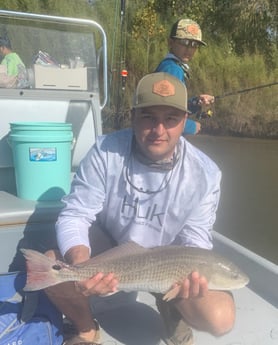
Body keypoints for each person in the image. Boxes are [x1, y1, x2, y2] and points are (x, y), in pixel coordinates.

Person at [45, 72, 235, 345]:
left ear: (185, 121)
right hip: (113, 246)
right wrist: (80, 264)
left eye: (170, 118)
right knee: (53, 266)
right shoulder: (105, 152)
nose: (159, 130)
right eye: (148, 117)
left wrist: (189, 282)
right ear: (133, 116)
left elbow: (195, 238)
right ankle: (86, 329)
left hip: (170, 258)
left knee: (221, 317)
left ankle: (174, 315)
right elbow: (76, 213)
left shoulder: (205, 173)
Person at [155, 18, 215, 135]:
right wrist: (191, 126)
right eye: (185, 43)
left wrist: (195, 102)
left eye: (194, 44)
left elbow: (173, 105)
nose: (189, 49)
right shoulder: (173, 70)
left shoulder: (170, 65)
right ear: (171, 42)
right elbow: (164, 112)